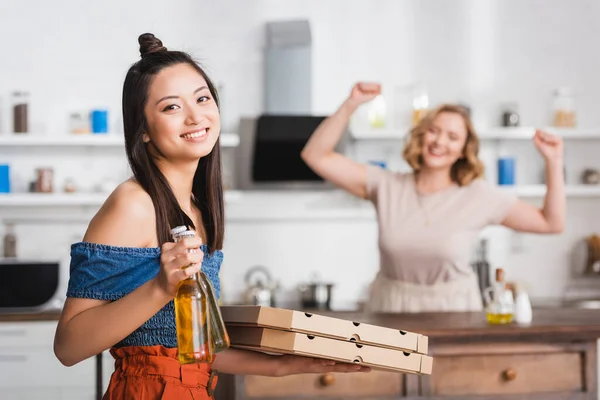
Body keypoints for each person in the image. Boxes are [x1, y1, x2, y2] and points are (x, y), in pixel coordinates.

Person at [53, 34, 369, 400]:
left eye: (202, 98)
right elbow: (68, 347)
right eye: (172, 107)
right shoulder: (133, 203)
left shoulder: (198, 210)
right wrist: (160, 288)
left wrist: (283, 365)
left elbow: (195, 347)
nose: (195, 115)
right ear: (142, 130)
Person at [301, 82, 565, 313]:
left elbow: (551, 223)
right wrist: (351, 104)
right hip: (390, 310)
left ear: (464, 150)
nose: (439, 141)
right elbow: (316, 155)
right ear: (421, 135)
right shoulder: (385, 185)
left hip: (455, 313)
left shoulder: (479, 195)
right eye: (434, 131)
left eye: (452, 137)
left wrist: (553, 162)